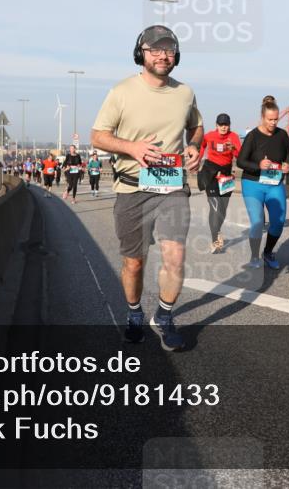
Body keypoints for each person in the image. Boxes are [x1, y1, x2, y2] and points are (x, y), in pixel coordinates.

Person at [90, 24, 203, 351]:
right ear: (141, 53)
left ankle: (165, 317)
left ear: (176, 55)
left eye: (169, 49)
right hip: (132, 189)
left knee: (175, 257)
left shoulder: (185, 92)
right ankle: (135, 312)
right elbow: (98, 136)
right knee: (134, 263)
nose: (163, 55)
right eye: (155, 49)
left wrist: (195, 146)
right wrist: (132, 148)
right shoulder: (121, 92)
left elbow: (196, 126)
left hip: (172, 188)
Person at [236, 96, 289, 270]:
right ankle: (254, 256)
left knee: (278, 221)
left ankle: (267, 252)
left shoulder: (282, 135)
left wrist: (286, 164)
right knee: (258, 222)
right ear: (263, 117)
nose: (273, 123)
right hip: (253, 184)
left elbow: (288, 154)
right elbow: (240, 162)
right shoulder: (253, 136)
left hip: (274, 184)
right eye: (270, 119)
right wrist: (258, 165)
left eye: (276, 119)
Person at [198, 113, 242, 253]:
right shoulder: (209, 136)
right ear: (216, 125)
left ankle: (217, 231)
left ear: (229, 125)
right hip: (211, 173)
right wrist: (197, 160)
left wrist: (233, 148)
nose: (223, 127)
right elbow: (201, 147)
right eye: (221, 125)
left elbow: (239, 156)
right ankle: (215, 240)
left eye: (226, 125)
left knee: (222, 210)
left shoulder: (233, 137)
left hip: (226, 175)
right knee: (215, 207)